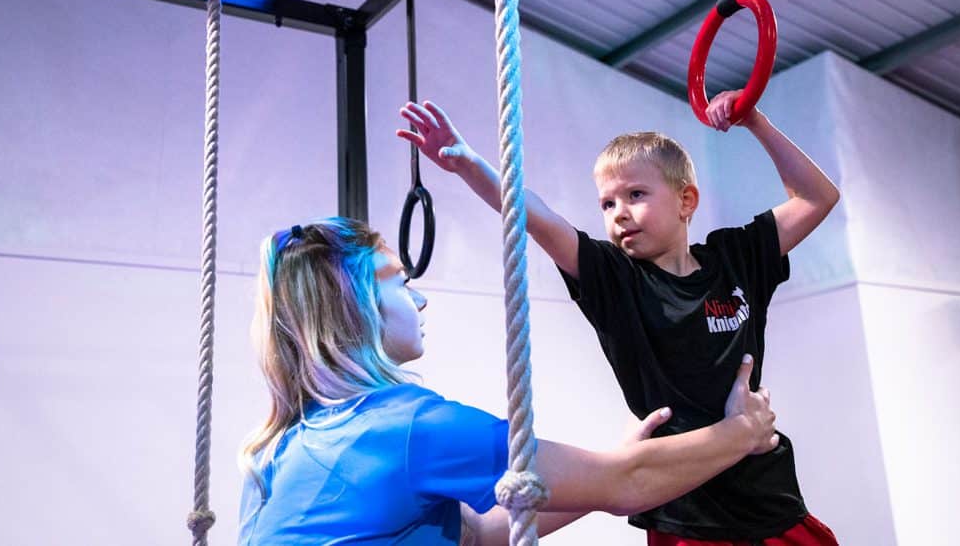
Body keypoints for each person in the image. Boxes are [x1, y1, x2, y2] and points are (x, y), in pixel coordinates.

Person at [397, 94, 840, 545]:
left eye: (636, 195)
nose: (619, 213)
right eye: (607, 204)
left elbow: (818, 197)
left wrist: (754, 121)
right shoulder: (616, 280)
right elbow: (539, 217)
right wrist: (470, 165)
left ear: (687, 200)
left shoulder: (736, 258)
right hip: (685, 511)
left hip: (771, 497)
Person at [237, 217, 780, 545]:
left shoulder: (276, 448)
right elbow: (628, 484)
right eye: (401, 282)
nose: (420, 299)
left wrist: (595, 478)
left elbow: (474, 536)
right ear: (356, 305)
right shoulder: (412, 428)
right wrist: (742, 432)